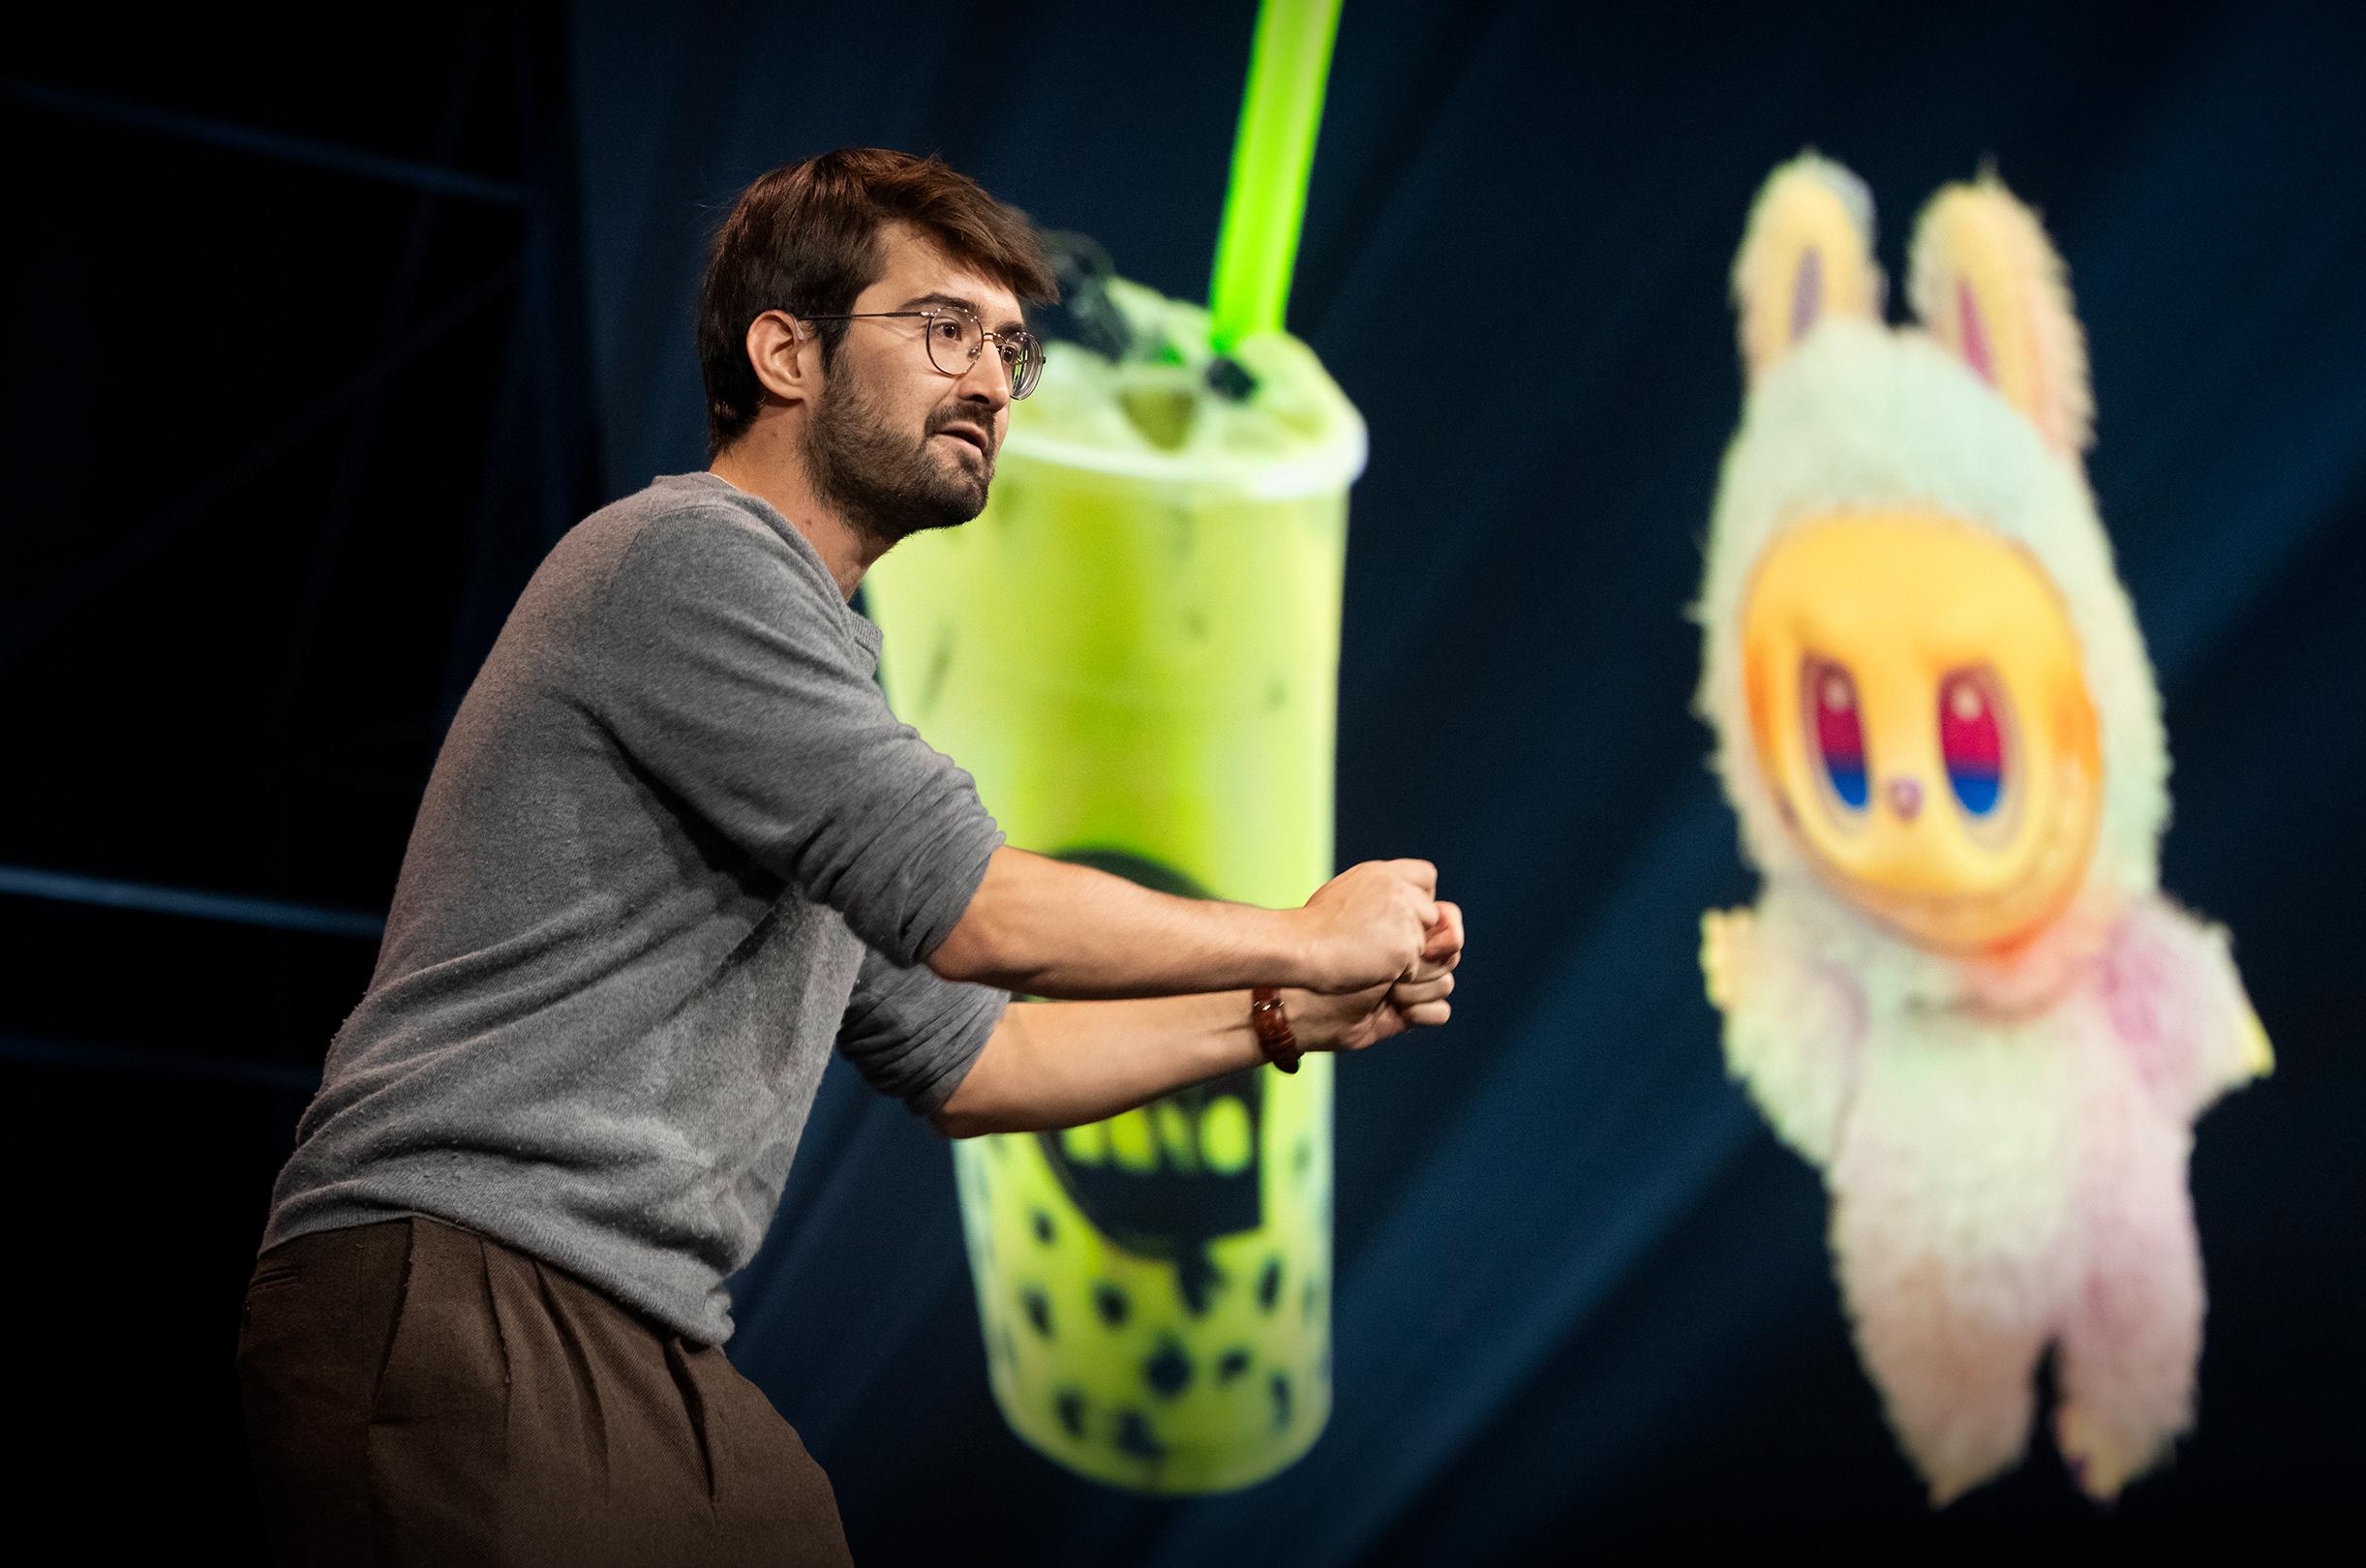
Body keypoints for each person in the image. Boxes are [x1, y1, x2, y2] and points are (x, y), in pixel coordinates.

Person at [236, 146, 1464, 1567]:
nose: (993, 381)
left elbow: (979, 1059)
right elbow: (979, 912)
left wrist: (1278, 1017)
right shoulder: (691, 559)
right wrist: (1304, 934)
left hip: (643, 1327)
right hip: (469, 1275)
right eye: (945, 329)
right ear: (785, 354)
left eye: (1010, 349)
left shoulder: (817, 687)